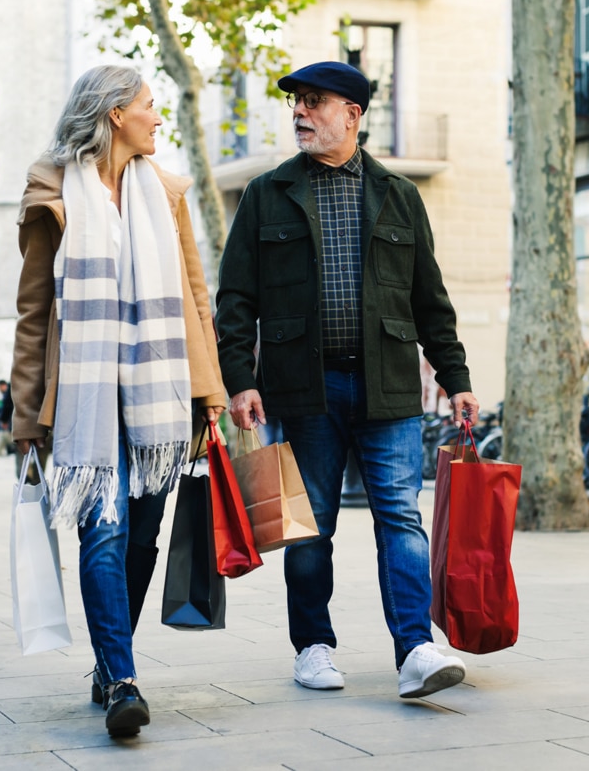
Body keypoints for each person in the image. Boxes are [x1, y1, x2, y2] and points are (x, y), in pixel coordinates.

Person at [215, 61, 480, 700]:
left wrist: (456, 376)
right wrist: (239, 379)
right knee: (311, 525)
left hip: (388, 385)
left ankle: (415, 646)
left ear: (352, 116)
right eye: (296, 104)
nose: (300, 113)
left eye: (314, 103)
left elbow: (429, 299)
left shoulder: (399, 195)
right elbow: (235, 299)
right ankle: (313, 646)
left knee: (400, 516)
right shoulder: (265, 194)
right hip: (302, 389)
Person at [11, 65, 227, 737]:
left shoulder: (165, 192)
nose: (158, 117)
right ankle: (123, 680)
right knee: (101, 531)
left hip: (158, 396)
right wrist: (25, 414)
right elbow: (34, 310)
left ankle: (111, 660)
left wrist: (209, 389)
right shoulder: (52, 189)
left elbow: (195, 297)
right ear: (114, 116)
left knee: (143, 536)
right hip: (84, 396)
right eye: (148, 105)